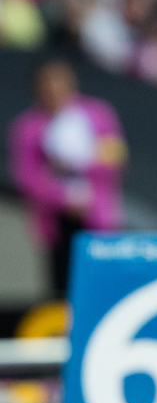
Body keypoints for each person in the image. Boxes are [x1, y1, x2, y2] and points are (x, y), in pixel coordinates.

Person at [8, 60, 127, 299]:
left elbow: (114, 159)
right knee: (63, 287)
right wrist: (63, 197)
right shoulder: (27, 127)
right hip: (56, 222)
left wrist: (81, 163)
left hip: (97, 217)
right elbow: (26, 177)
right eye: (48, 81)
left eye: (60, 79)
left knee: (103, 283)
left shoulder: (99, 115)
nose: (55, 87)